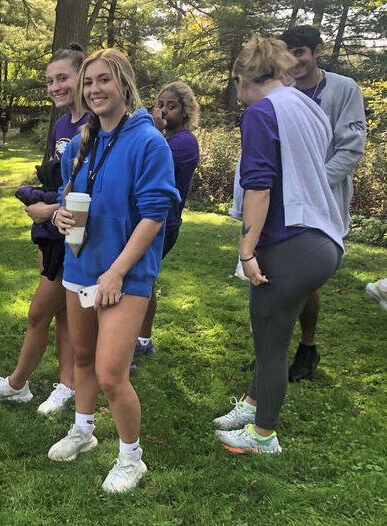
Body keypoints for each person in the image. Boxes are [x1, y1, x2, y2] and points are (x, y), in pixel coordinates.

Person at [50, 48, 179, 493]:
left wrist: (118, 272)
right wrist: (59, 216)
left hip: (125, 276)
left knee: (110, 373)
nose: (94, 90)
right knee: (82, 357)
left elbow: (155, 213)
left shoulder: (148, 141)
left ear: (124, 84)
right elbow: (69, 198)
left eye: (103, 80)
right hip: (80, 266)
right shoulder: (83, 143)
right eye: (88, 83)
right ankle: (83, 432)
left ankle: (131, 457)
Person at [214, 35, 344, 454]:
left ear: (243, 79)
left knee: (269, 344)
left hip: (289, 241)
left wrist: (246, 250)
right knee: (276, 332)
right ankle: (253, 404)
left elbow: (259, 186)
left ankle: (263, 434)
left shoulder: (260, 111)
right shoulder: (306, 105)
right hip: (322, 237)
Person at [0, 44, 89, 414]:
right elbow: (64, 180)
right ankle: (66, 383)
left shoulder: (96, 124)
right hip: (60, 229)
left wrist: (47, 210)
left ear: (82, 75)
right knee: (62, 312)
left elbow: (96, 191)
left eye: (62, 78)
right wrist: (47, 226)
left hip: (82, 232)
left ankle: (18, 384)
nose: (55, 86)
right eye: (50, 80)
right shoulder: (62, 124)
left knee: (39, 312)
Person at [278, 25, 366, 382]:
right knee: (277, 275)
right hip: (282, 200)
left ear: (317, 52)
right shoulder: (281, 92)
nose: (295, 61)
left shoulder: (343, 90)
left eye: (301, 52)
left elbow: (351, 148)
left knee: (306, 278)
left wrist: (314, 183)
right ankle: (273, 353)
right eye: (289, 53)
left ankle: (307, 348)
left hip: (324, 200)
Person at [136, 82, 200, 357]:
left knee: (137, 281)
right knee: (144, 280)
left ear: (185, 111)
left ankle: (131, 345)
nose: (163, 111)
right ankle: (142, 340)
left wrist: (154, 130)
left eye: (171, 107)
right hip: (151, 219)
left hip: (164, 223)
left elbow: (150, 166)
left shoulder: (184, 142)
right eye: (160, 105)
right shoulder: (165, 139)